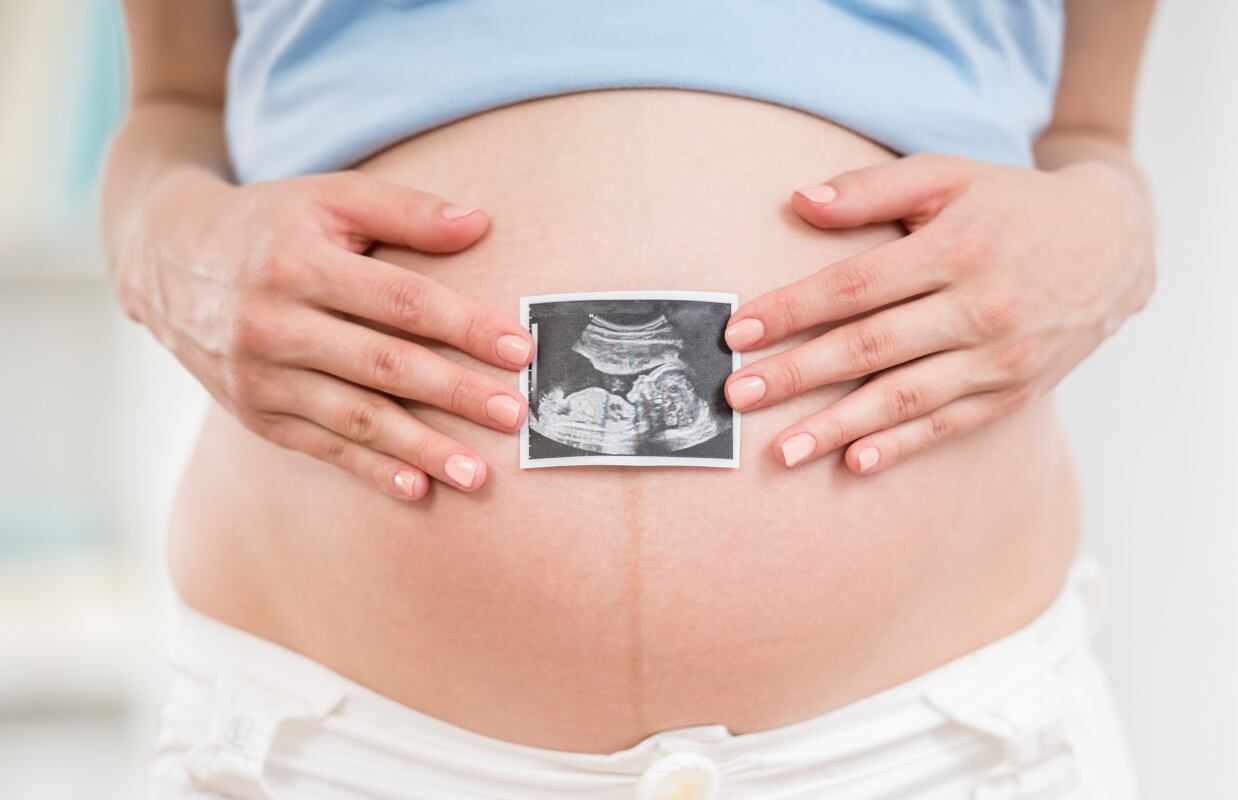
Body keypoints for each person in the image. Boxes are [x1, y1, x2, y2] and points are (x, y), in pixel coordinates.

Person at [103, 1, 1156, 797]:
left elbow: (1089, 130)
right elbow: (173, 105)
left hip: (931, 738)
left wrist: (1113, 228)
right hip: (339, 739)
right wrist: (163, 243)